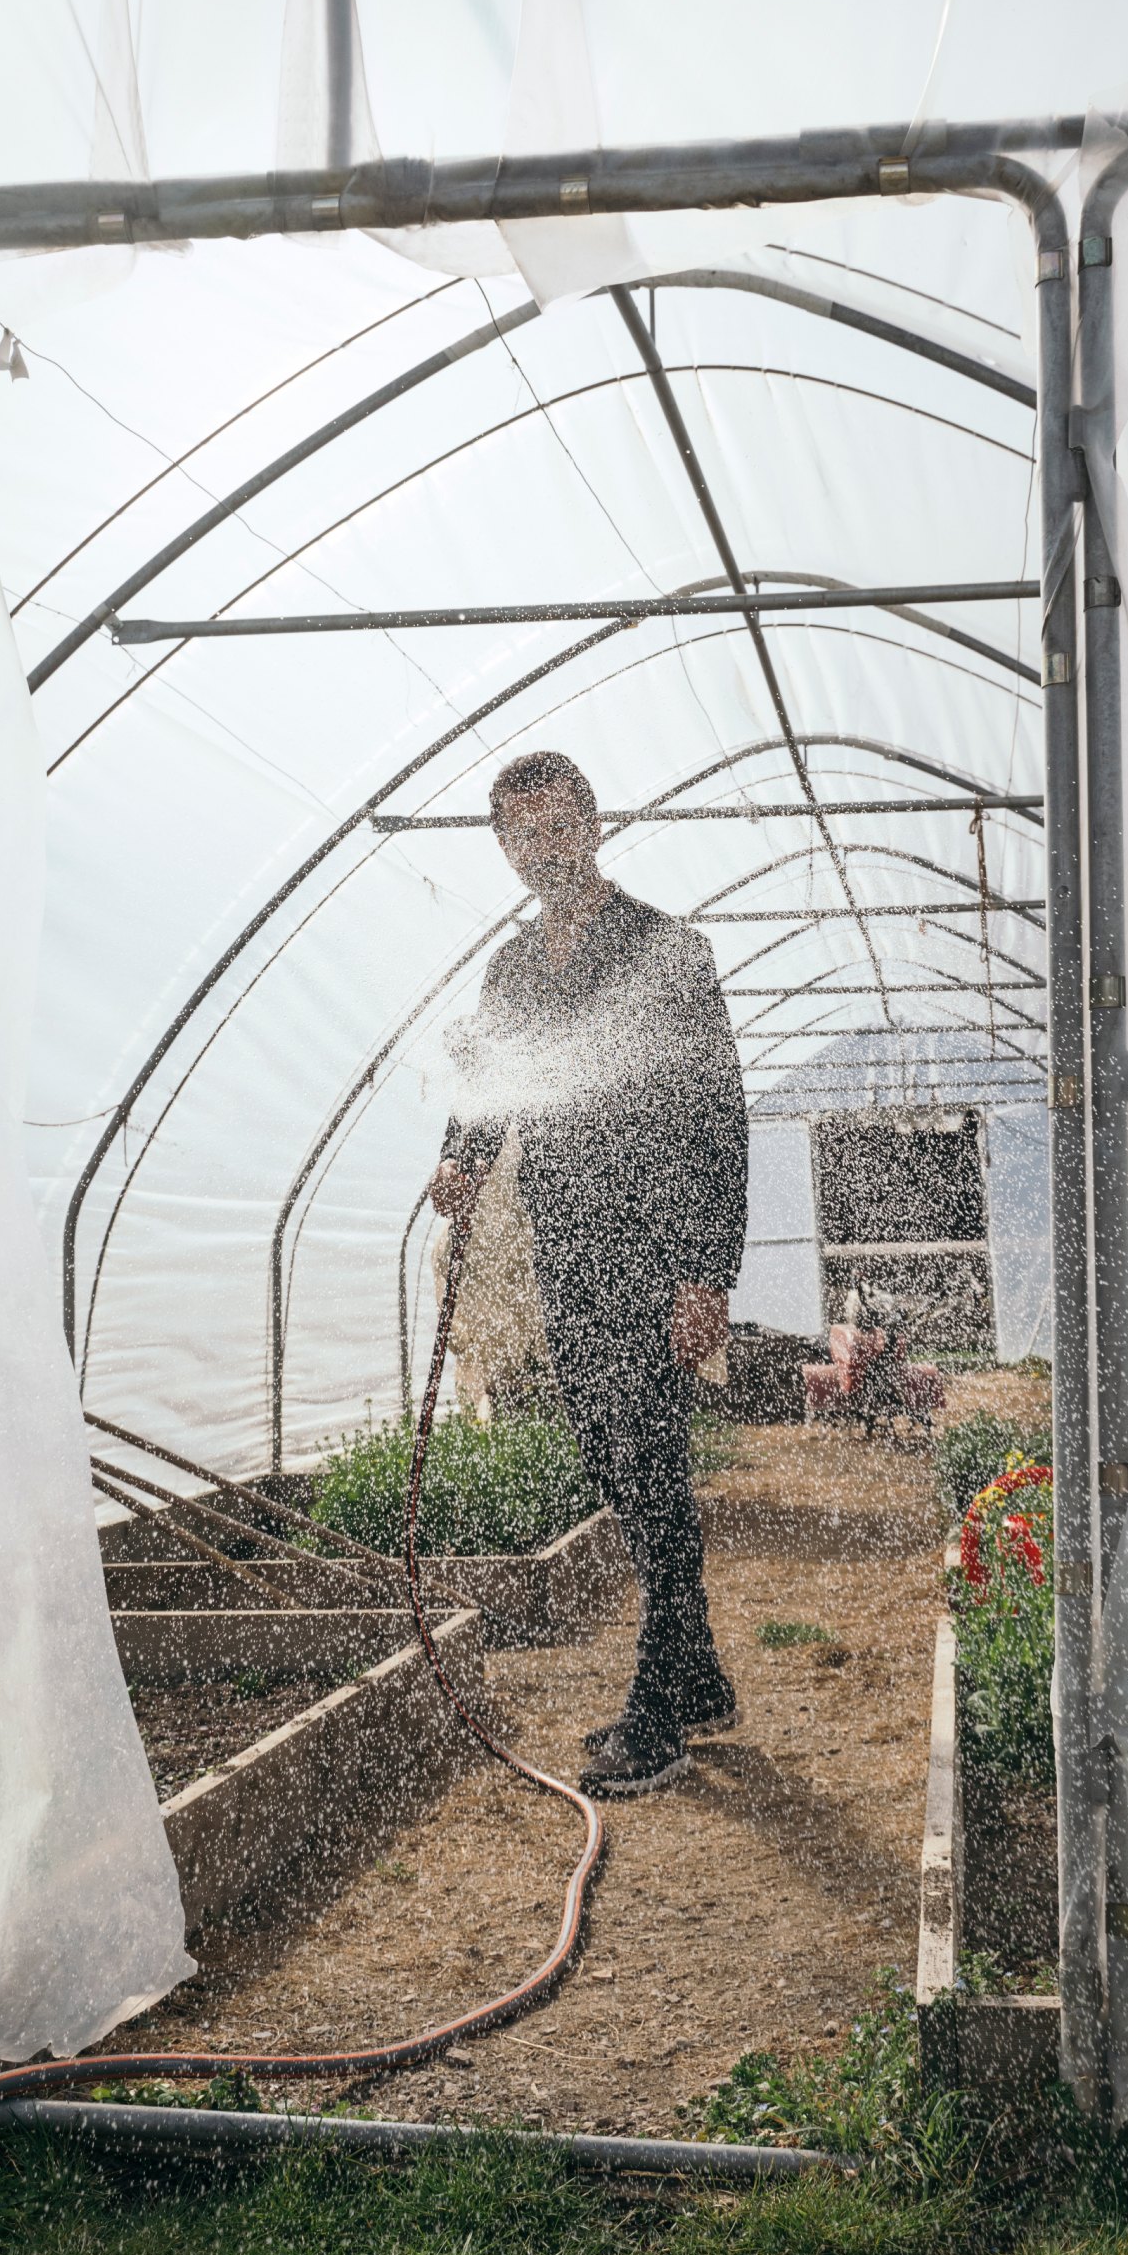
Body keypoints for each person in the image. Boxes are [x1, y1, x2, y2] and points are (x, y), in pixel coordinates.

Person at [430, 750, 748, 1797]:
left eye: (557, 825)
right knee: (620, 1465)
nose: (542, 848)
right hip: (569, 1245)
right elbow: (492, 1083)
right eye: (521, 834)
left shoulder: (667, 950)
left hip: (653, 1251)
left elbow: (717, 1116)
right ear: (503, 848)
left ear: (595, 825)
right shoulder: (513, 971)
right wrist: (462, 1160)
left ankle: (659, 1712)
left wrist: (708, 1272)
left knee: (650, 1470)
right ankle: (696, 1674)